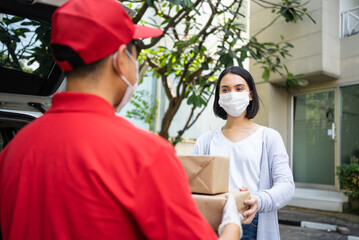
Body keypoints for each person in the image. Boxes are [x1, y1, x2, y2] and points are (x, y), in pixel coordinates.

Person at [0, 0, 242, 239]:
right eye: (135, 53)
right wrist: (231, 224)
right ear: (120, 59)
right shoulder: (145, 155)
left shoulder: (12, 152)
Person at [192, 66, 295, 240]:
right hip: (212, 222)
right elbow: (193, 186)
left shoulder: (269, 137)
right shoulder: (205, 141)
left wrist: (258, 200)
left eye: (239, 88)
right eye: (225, 90)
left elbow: (286, 186)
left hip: (252, 223)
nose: (232, 94)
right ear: (219, 97)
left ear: (250, 94)